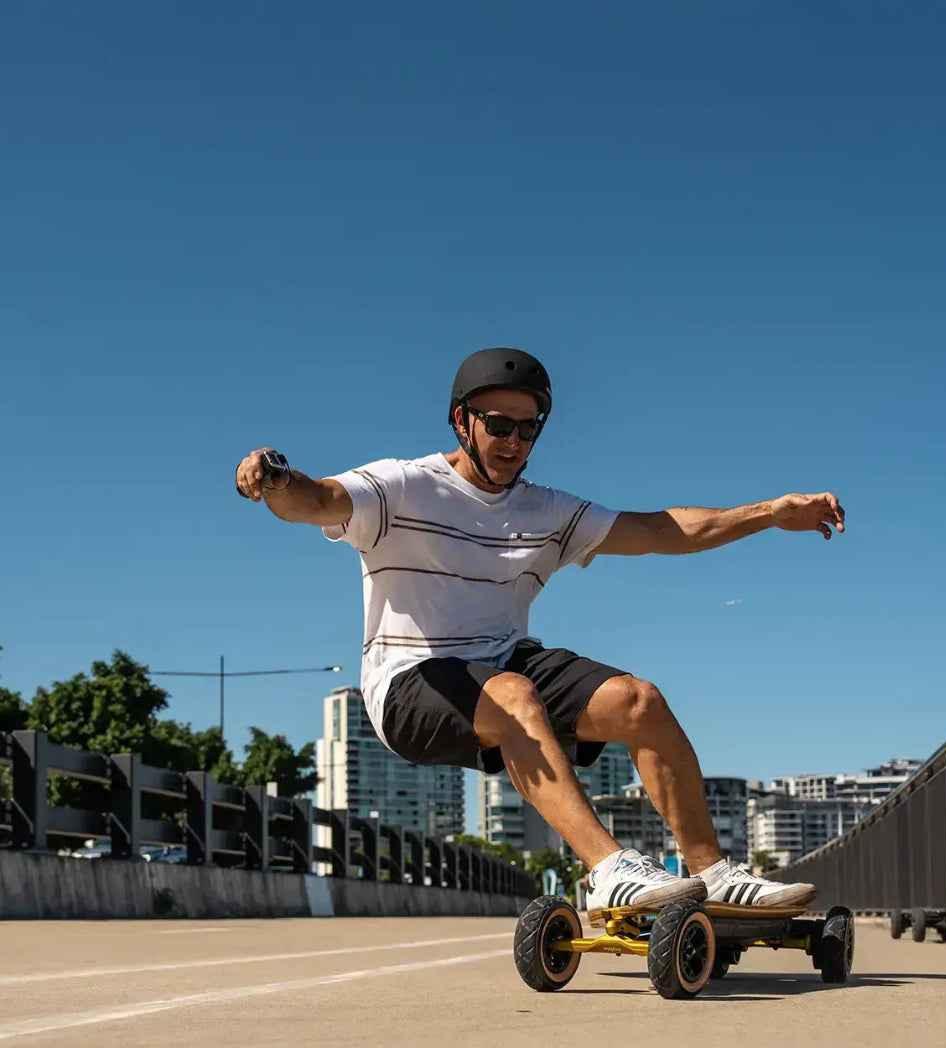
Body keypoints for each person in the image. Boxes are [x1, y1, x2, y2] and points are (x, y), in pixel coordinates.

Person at [235, 348, 845, 912]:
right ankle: (609, 870)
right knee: (513, 695)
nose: (513, 442)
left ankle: (713, 874)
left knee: (639, 701)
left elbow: (663, 530)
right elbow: (317, 500)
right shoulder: (402, 487)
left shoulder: (548, 511)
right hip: (408, 685)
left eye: (528, 430)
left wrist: (768, 513)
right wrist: (275, 478)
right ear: (461, 422)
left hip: (504, 662)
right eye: (499, 425)